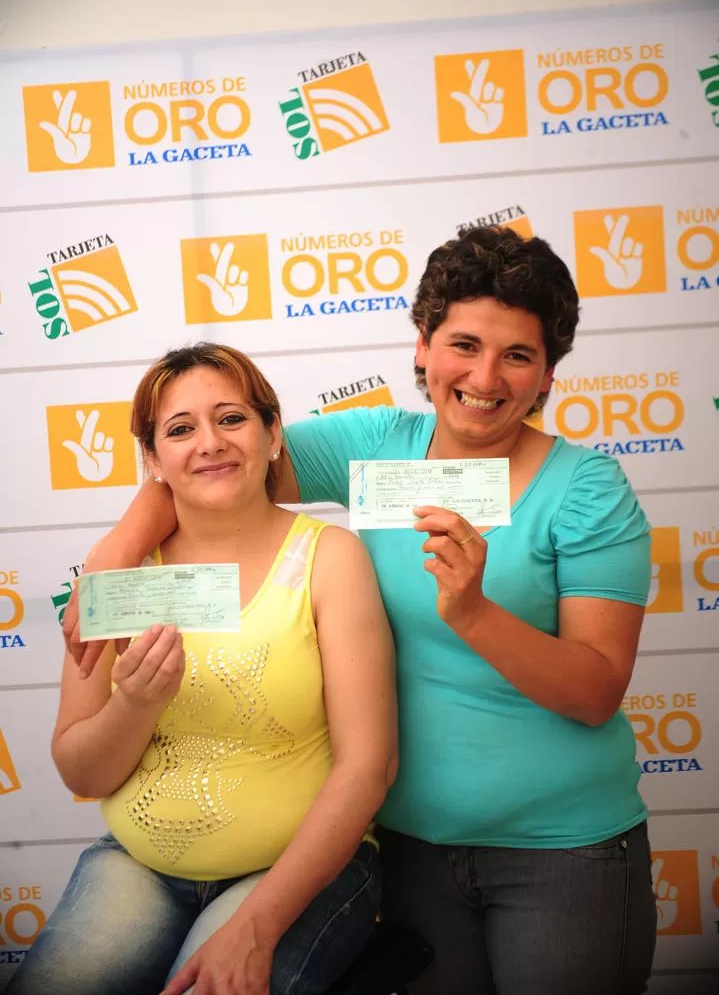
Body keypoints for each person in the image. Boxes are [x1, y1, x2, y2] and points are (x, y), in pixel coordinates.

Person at [63, 225, 656, 995]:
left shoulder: (586, 488)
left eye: (518, 355)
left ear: (547, 374)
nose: (484, 376)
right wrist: (107, 567)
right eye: (463, 344)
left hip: (561, 852)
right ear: (422, 347)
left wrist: (473, 611)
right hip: (409, 851)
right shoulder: (374, 445)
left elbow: (596, 690)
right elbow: (215, 460)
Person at [12, 343, 397, 995]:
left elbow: (369, 767)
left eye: (232, 419)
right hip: (138, 865)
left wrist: (257, 926)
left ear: (273, 435)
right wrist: (135, 703)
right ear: (153, 459)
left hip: (291, 869)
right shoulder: (116, 574)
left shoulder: (331, 558)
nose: (210, 443)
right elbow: (81, 769)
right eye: (181, 429)